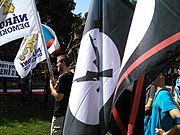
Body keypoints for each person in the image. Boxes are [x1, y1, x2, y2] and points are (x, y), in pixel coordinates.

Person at [49, 54, 73, 135]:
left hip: (60, 113)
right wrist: (55, 84)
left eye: (58, 62)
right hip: (67, 112)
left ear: (63, 63)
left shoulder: (64, 77)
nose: (56, 65)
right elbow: (63, 90)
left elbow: (59, 97)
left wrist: (51, 87)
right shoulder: (71, 75)